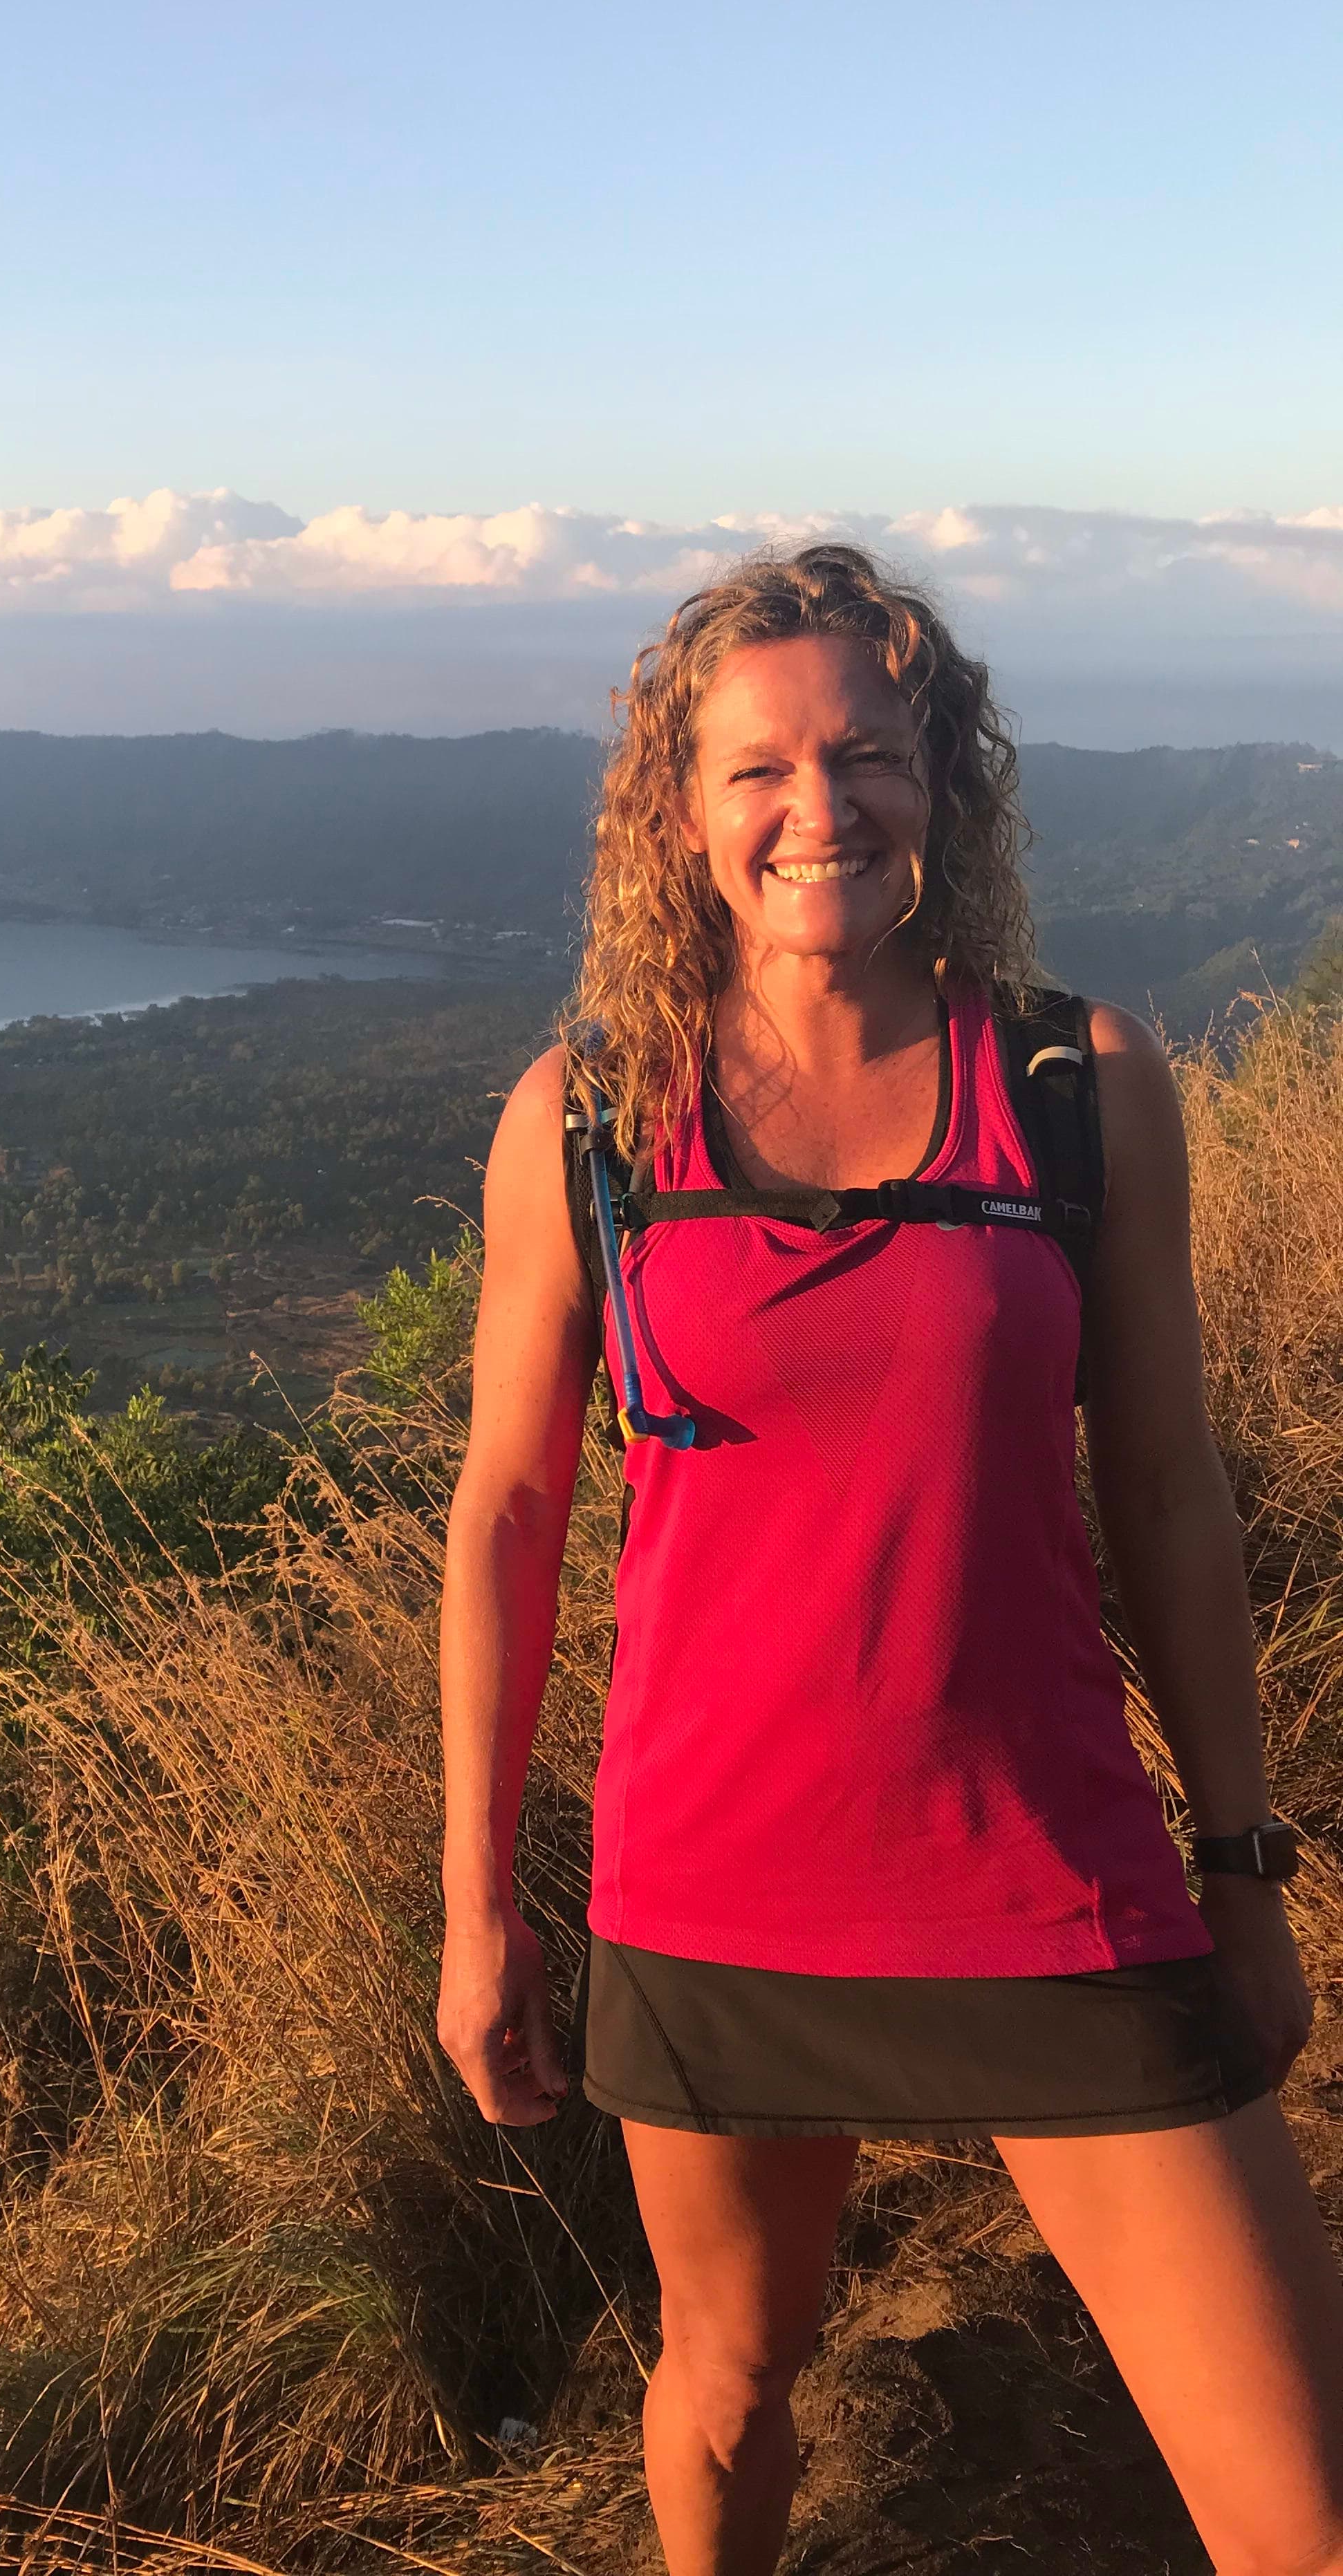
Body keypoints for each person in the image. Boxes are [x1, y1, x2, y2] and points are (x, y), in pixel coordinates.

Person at [436, 543, 1343, 2576]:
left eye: (865, 754)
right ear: (679, 815)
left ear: (947, 781)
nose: (816, 809)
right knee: (730, 2384)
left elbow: (1169, 1491)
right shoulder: (590, 1120)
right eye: (757, 769)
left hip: (1052, 1880)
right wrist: (479, 1911)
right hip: (715, 1891)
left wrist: (1243, 1867)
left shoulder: (1077, 1087)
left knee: (1303, 2519)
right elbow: (507, 1513)